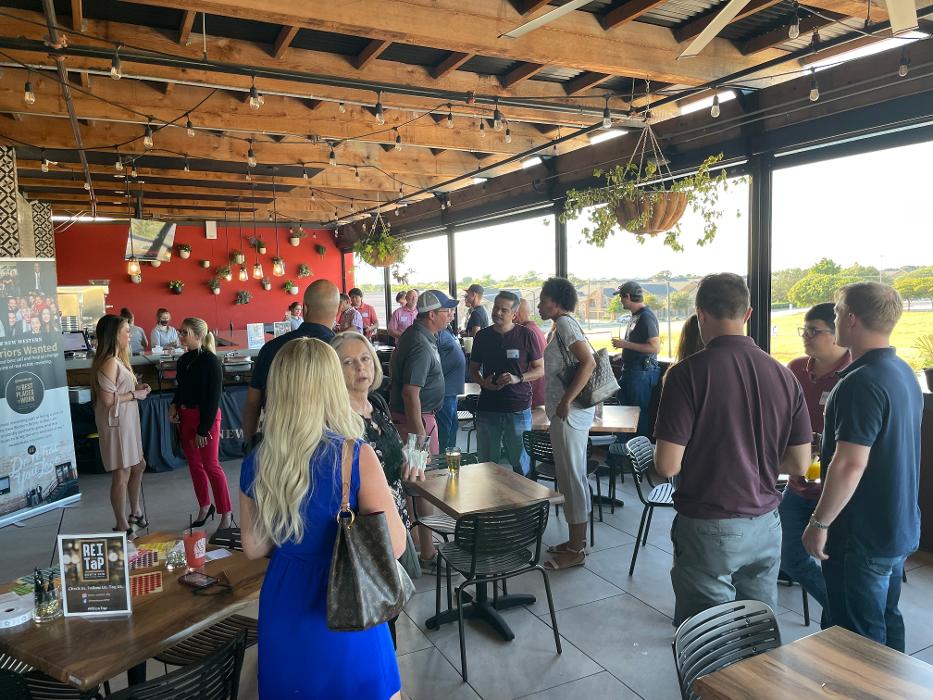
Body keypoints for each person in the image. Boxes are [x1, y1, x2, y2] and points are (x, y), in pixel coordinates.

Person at [239, 338, 405, 699]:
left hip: (285, 596)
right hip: (347, 598)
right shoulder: (355, 455)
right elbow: (394, 544)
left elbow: (253, 546)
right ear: (331, 385)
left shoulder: (258, 459)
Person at [654, 273, 812, 624]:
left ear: (700, 314)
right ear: (748, 313)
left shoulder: (685, 374)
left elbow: (667, 465)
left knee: (711, 634)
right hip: (766, 523)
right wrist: (755, 461)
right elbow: (800, 462)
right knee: (757, 630)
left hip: (709, 524)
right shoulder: (784, 375)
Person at [803, 283, 922, 651]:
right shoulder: (903, 372)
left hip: (861, 537)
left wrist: (819, 523)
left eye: (838, 313)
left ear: (851, 319)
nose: (836, 319)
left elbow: (850, 463)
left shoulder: (860, 382)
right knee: (887, 619)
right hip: (896, 527)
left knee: (857, 642)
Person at [332, 331, 421, 648]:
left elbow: (389, 456)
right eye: (348, 362)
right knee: (374, 611)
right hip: (365, 529)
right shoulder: (336, 419)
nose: (361, 367)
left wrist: (409, 463)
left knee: (391, 603)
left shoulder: (377, 404)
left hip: (395, 519)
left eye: (365, 358)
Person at [780, 303, 850, 626]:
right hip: (799, 485)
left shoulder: (853, 373)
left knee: (837, 566)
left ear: (836, 334)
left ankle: (837, 624)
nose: (806, 336)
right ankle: (838, 612)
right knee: (790, 558)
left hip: (839, 491)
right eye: (804, 330)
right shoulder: (795, 369)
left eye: (814, 331)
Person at [389, 289, 457, 567]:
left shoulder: (419, 335)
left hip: (416, 421)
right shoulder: (419, 343)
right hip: (416, 424)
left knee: (412, 485)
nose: (451, 314)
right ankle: (428, 553)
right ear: (432, 315)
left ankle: (417, 543)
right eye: (447, 311)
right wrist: (420, 441)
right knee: (421, 485)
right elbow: (410, 393)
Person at [538, 277, 595, 570]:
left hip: (569, 414)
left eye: (543, 300)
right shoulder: (561, 325)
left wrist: (566, 401)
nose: (539, 305)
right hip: (568, 413)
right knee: (574, 476)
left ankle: (576, 549)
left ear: (557, 302)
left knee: (571, 478)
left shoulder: (564, 324)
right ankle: (576, 541)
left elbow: (589, 362)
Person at [243, 280, 339, 446]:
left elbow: (253, 403)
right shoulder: (341, 350)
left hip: (278, 442)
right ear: (337, 311)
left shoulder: (271, 348)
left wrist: (248, 442)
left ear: (305, 308)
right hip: (330, 443)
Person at [470, 291, 544, 476]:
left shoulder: (526, 335)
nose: (498, 313)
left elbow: (540, 369)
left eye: (504, 310)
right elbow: (473, 369)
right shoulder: (482, 336)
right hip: (488, 407)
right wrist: (483, 383)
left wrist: (518, 378)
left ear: (514, 314)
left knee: (521, 463)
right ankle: (490, 494)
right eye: (496, 308)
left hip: (518, 408)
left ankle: (524, 495)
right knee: (486, 464)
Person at [169, 317, 232, 532]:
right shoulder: (183, 360)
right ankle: (205, 505)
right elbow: (181, 389)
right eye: (180, 332)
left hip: (205, 417)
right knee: (195, 466)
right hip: (186, 416)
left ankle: (226, 512)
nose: (180, 336)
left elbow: (214, 399)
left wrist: (203, 429)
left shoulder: (211, 362)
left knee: (211, 466)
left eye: (184, 332)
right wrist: (174, 405)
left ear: (198, 336)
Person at [91, 315, 151, 539]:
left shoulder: (118, 359)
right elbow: (108, 400)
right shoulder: (108, 362)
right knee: (122, 472)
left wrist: (137, 388)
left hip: (127, 420)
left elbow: (119, 389)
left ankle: (135, 511)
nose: (130, 334)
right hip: (116, 423)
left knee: (139, 465)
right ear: (114, 335)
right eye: (126, 330)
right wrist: (136, 394)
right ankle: (122, 524)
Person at [610, 281, 660, 439]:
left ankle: (638, 451)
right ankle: (622, 450)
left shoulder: (646, 317)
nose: (620, 300)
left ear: (628, 296)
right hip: (632, 371)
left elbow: (654, 347)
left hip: (641, 373)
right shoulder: (636, 316)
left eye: (621, 297)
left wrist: (625, 344)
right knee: (625, 413)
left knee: (638, 414)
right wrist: (625, 353)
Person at [436, 321, 465, 451]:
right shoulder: (437, 333)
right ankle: (443, 457)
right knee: (445, 429)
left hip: (452, 391)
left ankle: (450, 456)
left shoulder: (447, 330)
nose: (451, 314)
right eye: (448, 311)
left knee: (452, 427)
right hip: (444, 391)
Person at [515, 298, 547, 407]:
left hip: (529, 394)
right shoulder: (535, 328)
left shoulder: (524, 332)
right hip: (539, 392)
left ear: (516, 315)